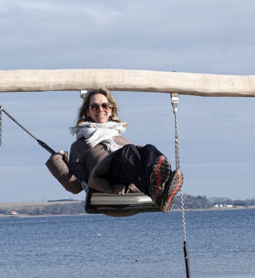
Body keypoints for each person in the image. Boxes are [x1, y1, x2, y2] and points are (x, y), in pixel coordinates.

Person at [45, 88, 183, 212]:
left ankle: (161, 190)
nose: (100, 109)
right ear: (87, 112)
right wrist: (57, 160)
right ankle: (156, 190)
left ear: (110, 110)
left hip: (129, 184)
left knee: (148, 149)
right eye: (95, 107)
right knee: (128, 151)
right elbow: (74, 186)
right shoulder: (80, 144)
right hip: (103, 182)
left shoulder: (121, 139)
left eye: (104, 105)